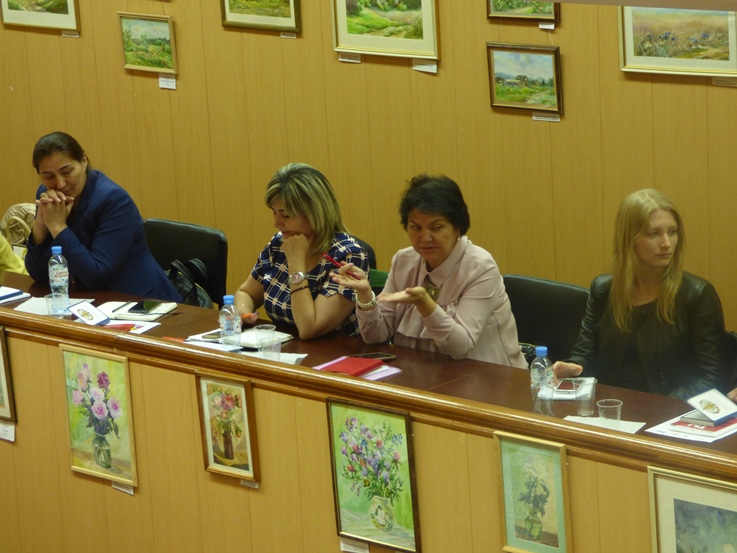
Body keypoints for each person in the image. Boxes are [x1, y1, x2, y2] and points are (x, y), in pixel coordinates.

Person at [331, 173, 526, 367]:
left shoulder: (480, 267)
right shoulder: (403, 261)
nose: (425, 237)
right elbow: (376, 337)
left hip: (488, 378)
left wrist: (425, 304)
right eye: (416, 228)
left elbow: (460, 347)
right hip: (422, 374)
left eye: (436, 227)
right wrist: (365, 296)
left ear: (457, 227)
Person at [553, 189, 729, 399]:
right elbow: (584, 355)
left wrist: (659, 406)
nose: (666, 243)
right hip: (610, 406)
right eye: (654, 234)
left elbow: (712, 378)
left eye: (672, 232)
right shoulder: (604, 290)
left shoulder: (696, 295)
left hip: (670, 409)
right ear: (629, 238)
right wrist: (573, 368)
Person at [24, 132, 181, 301]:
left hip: (141, 301)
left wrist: (57, 227)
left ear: (83, 161)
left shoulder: (114, 200)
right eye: (48, 176)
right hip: (88, 300)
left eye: (67, 171)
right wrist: (40, 228)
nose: (60, 183)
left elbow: (97, 275)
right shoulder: (48, 196)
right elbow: (39, 274)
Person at [234, 163, 369, 339]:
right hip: (284, 346)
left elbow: (309, 328)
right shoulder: (279, 243)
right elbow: (246, 293)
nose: (277, 223)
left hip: (334, 352)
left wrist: (296, 263)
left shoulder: (348, 255)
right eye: (274, 212)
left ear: (314, 213)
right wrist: (243, 312)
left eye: (286, 215)